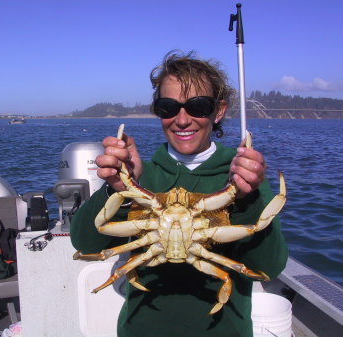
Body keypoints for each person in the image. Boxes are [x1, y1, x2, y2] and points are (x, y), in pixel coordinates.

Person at [70, 51, 288, 337]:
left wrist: (248, 200)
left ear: (218, 110)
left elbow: (268, 267)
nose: (182, 119)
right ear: (158, 112)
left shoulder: (242, 180)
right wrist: (119, 190)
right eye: (168, 107)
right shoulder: (139, 178)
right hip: (142, 330)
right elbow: (86, 243)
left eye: (198, 106)